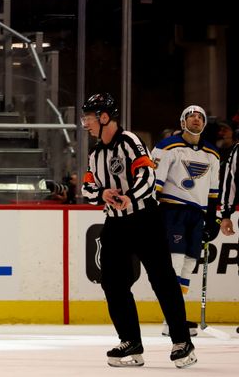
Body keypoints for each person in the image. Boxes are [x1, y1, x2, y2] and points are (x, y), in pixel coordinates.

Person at [80, 93, 196, 369]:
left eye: (88, 117)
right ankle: (131, 340)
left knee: (162, 280)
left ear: (104, 117)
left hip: (145, 220)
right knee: (113, 283)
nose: (85, 123)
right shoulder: (95, 154)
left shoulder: (130, 141)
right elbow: (87, 188)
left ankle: (182, 341)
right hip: (115, 224)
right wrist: (102, 194)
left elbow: (147, 175)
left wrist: (130, 197)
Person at [151, 105, 220, 337]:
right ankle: (171, 321)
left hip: (197, 214)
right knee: (175, 263)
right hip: (173, 211)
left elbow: (213, 191)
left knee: (189, 265)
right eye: (191, 116)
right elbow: (154, 183)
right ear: (182, 122)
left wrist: (213, 219)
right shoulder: (167, 147)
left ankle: (172, 320)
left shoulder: (212, 153)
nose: (196, 119)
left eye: (200, 117)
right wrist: (152, 212)